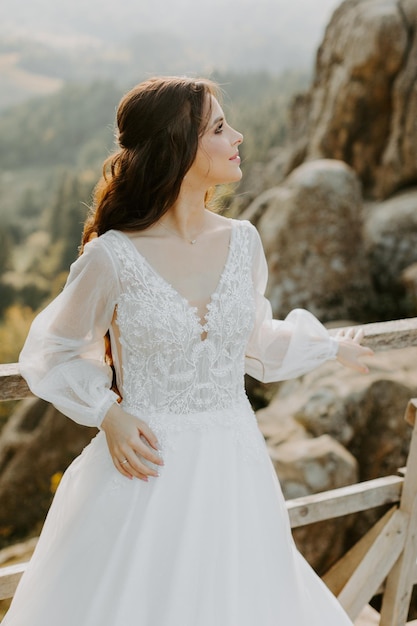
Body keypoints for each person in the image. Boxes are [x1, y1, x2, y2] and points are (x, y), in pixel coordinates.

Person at [3, 76, 372, 626]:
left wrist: (327, 346)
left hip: (235, 469)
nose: (238, 137)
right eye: (220, 128)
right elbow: (49, 352)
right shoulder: (112, 257)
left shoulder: (242, 240)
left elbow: (255, 340)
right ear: (179, 146)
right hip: (145, 474)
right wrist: (109, 415)